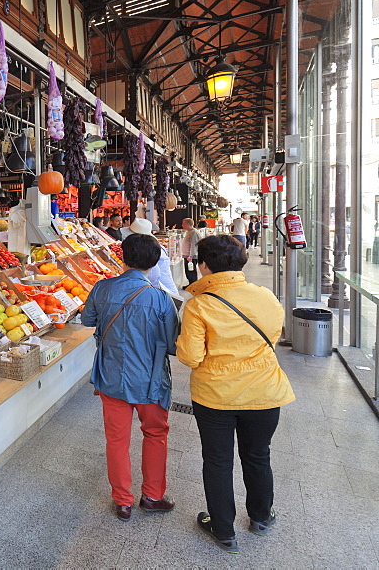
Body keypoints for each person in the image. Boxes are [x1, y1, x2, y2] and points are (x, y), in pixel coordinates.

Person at [176, 235, 295, 554]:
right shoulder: (265, 296)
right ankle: (260, 518)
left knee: (217, 460)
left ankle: (223, 528)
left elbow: (189, 357)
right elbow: (274, 333)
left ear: (203, 265)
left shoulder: (199, 304)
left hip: (215, 397)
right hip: (264, 391)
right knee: (258, 455)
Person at [82, 234, 180, 521]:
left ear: (122, 257)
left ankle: (122, 501)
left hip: (111, 377)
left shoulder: (103, 288)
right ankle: (152, 496)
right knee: (155, 434)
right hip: (151, 380)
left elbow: (88, 320)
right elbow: (173, 344)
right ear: (154, 263)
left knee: (116, 439)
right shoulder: (160, 298)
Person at [129, 219, 177, 294]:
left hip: (164, 292)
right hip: (164, 290)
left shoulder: (149, 249)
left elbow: (154, 274)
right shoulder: (153, 247)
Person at [181, 218, 200, 286]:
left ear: (188, 224)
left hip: (190, 256)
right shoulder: (189, 232)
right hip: (187, 255)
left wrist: (191, 255)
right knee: (188, 271)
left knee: (191, 271)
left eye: (184, 224)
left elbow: (194, 245)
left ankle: (193, 285)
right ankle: (191, 284)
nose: (182, 225)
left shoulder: (193, 232)